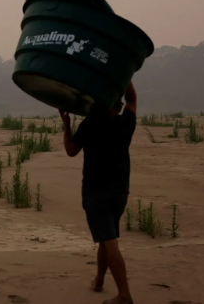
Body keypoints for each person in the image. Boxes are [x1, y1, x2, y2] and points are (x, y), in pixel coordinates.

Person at [60, 81, 137, 304]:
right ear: (117, 106)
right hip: (120, 192)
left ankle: (124, 295)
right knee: (107, 238)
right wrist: (125, 75)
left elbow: (71, 150)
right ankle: (99, 280)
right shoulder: (125, 124)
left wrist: (66, 124)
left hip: (96, 192)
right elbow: (133, 100)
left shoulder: (89, 124)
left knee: (109, 241)